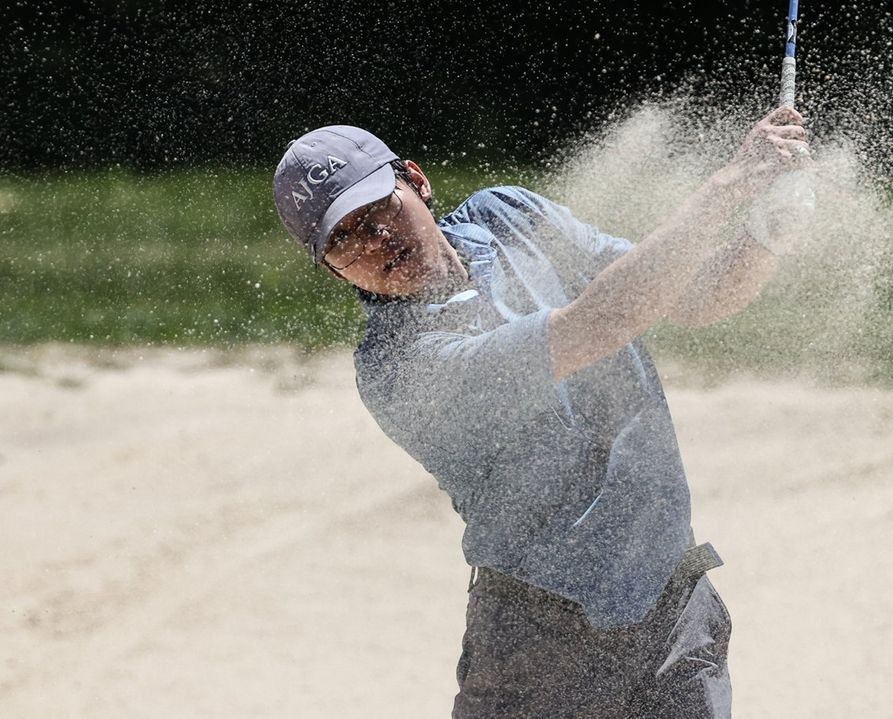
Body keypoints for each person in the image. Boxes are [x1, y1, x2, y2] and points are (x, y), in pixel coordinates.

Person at [271, 106, 810, 718]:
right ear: (330, 267)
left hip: (671, 600)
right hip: (539, 646)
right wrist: (725, 188)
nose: (375, 240)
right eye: (344, 237)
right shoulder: (399, 367)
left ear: (416, 182)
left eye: (380, 209)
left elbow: (694, 294)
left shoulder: (509, 215)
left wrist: (766, 233)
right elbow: (599, 322)